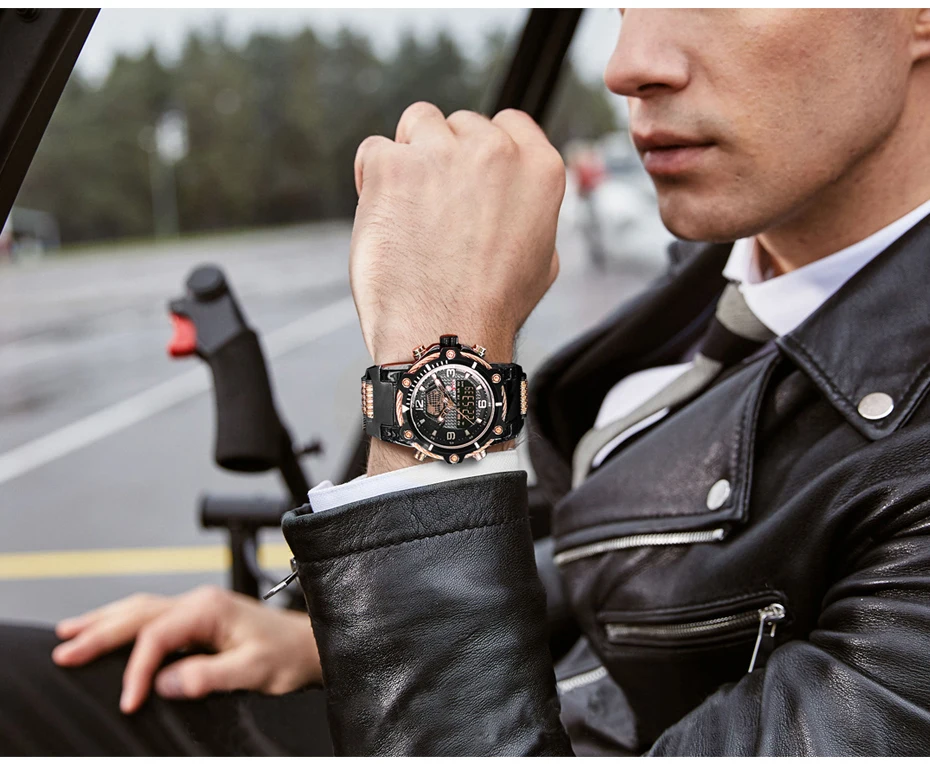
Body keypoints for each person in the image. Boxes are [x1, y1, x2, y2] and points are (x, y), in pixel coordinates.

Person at [5, 7, 930, 756]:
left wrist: (435, 362)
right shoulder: (723, 280)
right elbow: (614, 567)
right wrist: (340, 636)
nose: (628, 64)